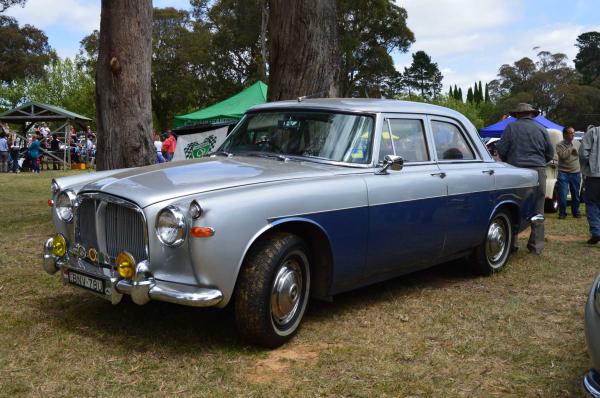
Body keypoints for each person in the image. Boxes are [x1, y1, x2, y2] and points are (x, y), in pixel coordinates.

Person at [496, 103, 554, 255]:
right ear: (531, 114)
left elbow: (501, 150)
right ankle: (536, 245)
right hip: (538, 171)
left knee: (513, 207)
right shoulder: (542, 129)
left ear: (517, 115)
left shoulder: (511, 128)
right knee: (538, 208)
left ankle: (511, 244)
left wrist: (511, 160)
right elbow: (550, 153)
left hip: (517, 171)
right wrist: (539, 162)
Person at [579, 125, 600, 244]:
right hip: (594, 174)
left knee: (592, 203)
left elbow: (583, 153)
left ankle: (596, 232)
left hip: (594, 175)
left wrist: (588, 166)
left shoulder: (593, 131)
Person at [556, 126, 581, 219]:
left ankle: (576, 212)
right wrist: (571, 149)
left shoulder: (578, 143)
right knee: (562, 194)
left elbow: (581, 155)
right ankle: (562, 213)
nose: (573, 135)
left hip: (576, 172)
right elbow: (562, 156)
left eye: (573, 133)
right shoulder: (559, 145)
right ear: (565, 135)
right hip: (563, 172)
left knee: (576, 194)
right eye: (570, 133)